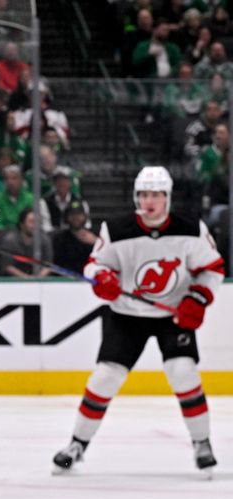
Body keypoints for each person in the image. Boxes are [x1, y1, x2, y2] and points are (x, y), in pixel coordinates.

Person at [52, 166, 225, 476]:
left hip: (172, 315)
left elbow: (212, 268)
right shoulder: (116, 229)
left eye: (157, 195)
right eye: (144, 194)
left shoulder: (191, 229)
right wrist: (103, 278)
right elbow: (95, 266)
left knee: (183, 372)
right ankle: (77, 444)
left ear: (167, 198)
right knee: (105, 377)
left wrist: (197, 298)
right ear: (136, 197)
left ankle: (202, 443)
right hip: (126, 315)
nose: (150, 201)